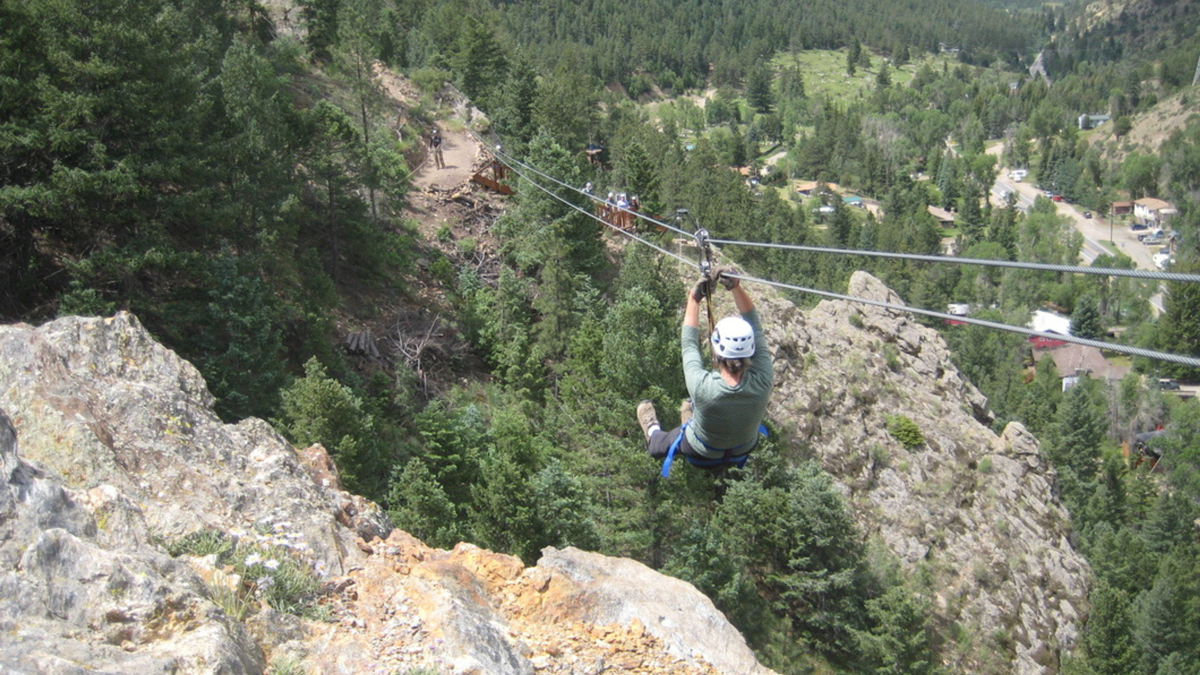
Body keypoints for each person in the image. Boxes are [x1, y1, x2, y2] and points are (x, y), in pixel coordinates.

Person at [638, 268, 774, 474]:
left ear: (717, 350)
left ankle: (652, 429)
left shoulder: (703, 388)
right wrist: (736, 287)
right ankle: (691, 416)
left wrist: (694, 299)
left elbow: (689, 344)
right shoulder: (763, 380)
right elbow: (755, 325)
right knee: (701, 410)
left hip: (701, 451)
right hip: (742, 448)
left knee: (659, 444)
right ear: (751, 349)